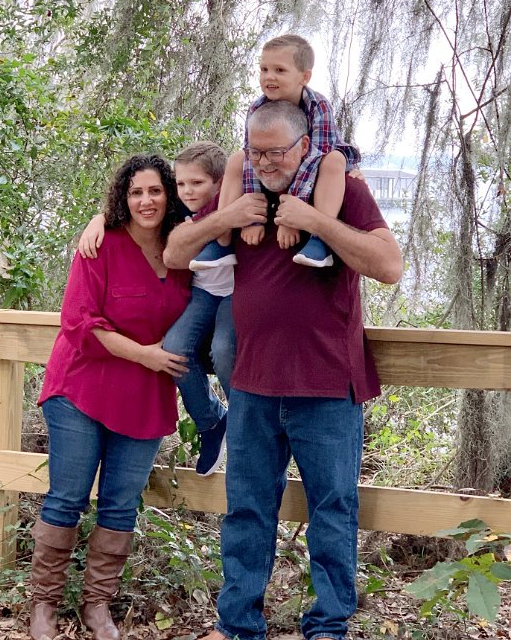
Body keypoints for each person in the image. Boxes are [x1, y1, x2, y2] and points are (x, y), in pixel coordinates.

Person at [163, 101, 402, 640]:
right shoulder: (242, 193)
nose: (266, 163)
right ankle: (237, 624)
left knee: (332, 509)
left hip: (327, 384)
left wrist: (315, 221)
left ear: (305, 147)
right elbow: (176, 253)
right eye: (256, 152)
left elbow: (389, 266)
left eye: (277, 152)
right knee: (246, 510)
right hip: (251, 385)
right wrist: (226, 218)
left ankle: (328, 626)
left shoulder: (343, 191)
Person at [29, 154, 191, 640]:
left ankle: (97, 606)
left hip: (145, 396)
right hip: (82, 387)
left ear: (170, 195)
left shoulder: (183, 250)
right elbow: (79, 322)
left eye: (155, 191)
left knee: (120, 506)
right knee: (67, 498)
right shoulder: (99, 244)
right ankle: (44, 605)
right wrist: (145, 355)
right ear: (123, 197)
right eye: (136, 192)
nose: (146, 201)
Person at [77, 142, 235, 477]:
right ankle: (211, 421)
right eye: (182, 184)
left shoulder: (228, 204)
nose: (188, 190)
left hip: (235, 296)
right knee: (175, 348)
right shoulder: (179, 216)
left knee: (223, 350)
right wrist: (99, 218)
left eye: (196, 183)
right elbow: (138, 209)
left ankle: (246, 423)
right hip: (203, 293)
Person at [189, 34, 361, 271]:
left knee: (334, 161)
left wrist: (290, 218)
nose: (269, 77)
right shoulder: (257, 107)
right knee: (238, 158)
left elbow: (314, 157)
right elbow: (252, 157)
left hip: (319, 158)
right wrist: (253, 219)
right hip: (279, 160)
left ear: (304, 77)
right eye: (264, 69)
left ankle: (320, 239)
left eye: (279, 70)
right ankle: (221, 242)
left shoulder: (318, 106)